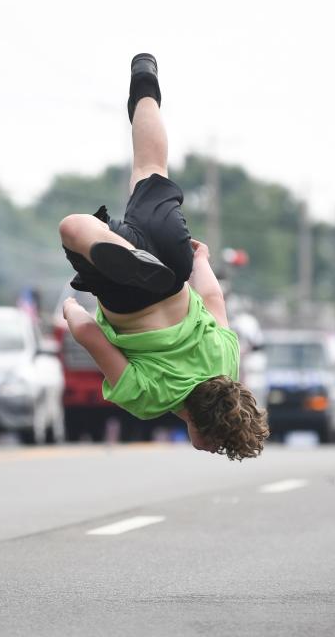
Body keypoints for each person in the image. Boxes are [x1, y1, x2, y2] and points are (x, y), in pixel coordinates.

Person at [58, 53, 268, 460]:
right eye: (218, 445)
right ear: (201, 431)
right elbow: (89, 335)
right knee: (72, 229)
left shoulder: (227, 362)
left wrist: (202, 260)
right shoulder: (148, 399)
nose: (212, 450)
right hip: (127, 301)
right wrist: (70, 309)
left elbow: (213, 300)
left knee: (150, 166)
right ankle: (112, 248)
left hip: (174, 271)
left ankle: (145, 80)